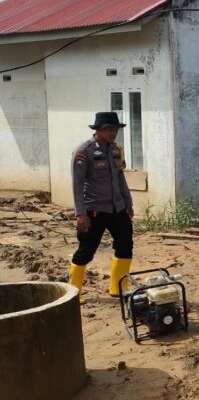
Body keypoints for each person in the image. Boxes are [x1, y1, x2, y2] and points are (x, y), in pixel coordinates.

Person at [68, 112, 135, 303]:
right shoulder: (83, 152)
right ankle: (74, 293)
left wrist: (128, 203)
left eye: (115, 129)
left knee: (125, 245)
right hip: (94, 211)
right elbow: (77, 185)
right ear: (98, 130)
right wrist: (80, 214)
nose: (113, 133)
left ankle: (118, 288)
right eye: (109, 129)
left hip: (117, 209)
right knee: (86, 251)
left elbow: (120, 179)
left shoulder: (115, 150)